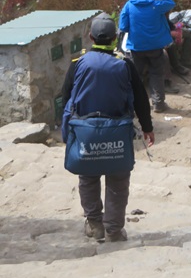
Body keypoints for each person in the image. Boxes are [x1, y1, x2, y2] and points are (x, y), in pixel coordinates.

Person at [61, 13, 154, 242]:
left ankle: (94, 224)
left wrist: (66, 130)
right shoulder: (125, 64)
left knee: (88, 178)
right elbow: (141, 98)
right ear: (115, 38)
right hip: (117, 134)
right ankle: (114, 229)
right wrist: (147, 127)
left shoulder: (77, 64)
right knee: (118, 181)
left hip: (85, 133)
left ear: (90, 37)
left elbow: (65, 98)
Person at [119, 0, 176, 113]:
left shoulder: (129, 5)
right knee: (156, 73)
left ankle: (133, 105)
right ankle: (158, 104)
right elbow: (170, 2)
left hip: (136, 47)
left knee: (135, 76)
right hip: (156, 46)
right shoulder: (157, 6)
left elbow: (123, 26)